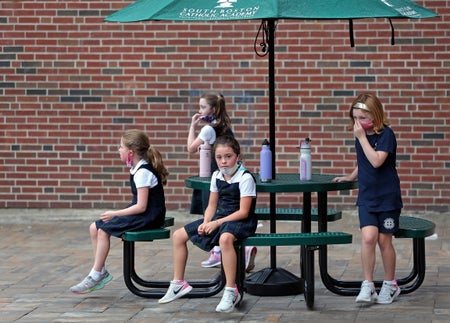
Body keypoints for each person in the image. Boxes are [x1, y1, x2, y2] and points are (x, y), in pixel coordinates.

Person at [159, 135, 257, 313]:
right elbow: (212, 205)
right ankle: (178, 284)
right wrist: (206, 222)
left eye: (228, 156)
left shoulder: (245, 178)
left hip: (241, 220)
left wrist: (216, 223)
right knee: (178, 235)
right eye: (219, 157)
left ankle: (230, 290)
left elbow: (243, 211)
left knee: (225, 239)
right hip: (220, 217)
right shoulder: (216, 175)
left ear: (238, 157)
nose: (224, 161)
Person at [70, 129, 169, 294]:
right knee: (94, 227)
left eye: (120, 147)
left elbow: (141, 206)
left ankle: (95, 274)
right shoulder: (137, 168)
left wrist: (116, 213)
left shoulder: (143, 172)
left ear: (130, 152)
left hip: (149, 216)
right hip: (143, 214)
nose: (118, 150)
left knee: (103, 230)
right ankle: (99, 271)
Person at [333, 93, 403, 305]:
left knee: (383, 240)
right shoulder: (360, 135)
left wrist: (362, 138)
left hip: (387, 197)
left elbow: (376, 161)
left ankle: (391, 284)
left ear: (376, 115)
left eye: (362, 118)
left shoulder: (386, 135)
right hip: (367, 196)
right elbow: (362, 160)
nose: (358, 123)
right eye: (354, 118)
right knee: (368, 238)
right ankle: (368, 284)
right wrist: (351, 176)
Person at [187, 92, 257, 272]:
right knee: (220, 211)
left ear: (214, 109)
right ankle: (229, 250)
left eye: (203, 107)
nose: (200, 110)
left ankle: (218, 252)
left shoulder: (208, 129)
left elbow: (190, 149)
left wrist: (192, 126)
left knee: (212, 211)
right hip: (225, 174)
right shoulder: (224, 126)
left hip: (214, 174)